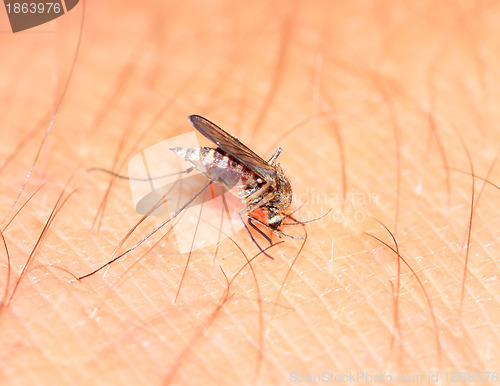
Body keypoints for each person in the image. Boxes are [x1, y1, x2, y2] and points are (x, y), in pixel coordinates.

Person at [0, 0, 498, 384]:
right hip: (229, 164)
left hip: (240, 170)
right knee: (226, 184)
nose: (272, 224)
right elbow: (247, 185)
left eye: (273, 223)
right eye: (274, 222)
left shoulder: (271, 196)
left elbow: (256, 196)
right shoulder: (265, 194)